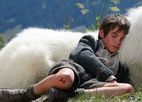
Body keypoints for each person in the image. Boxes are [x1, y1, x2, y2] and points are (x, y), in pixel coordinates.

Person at [0, 14, 133, 102]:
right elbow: (81, 54)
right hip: (73, 69)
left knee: (127, 88)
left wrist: (120, 85)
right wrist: (107, 75)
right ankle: (25, 94)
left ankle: (69, 96)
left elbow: (124, 83)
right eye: (114, 36)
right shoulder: (91, 41)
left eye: (121, 39)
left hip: (90, 84)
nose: (117, 42)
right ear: (102, 33)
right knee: (65, 79)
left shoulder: (121, 63)